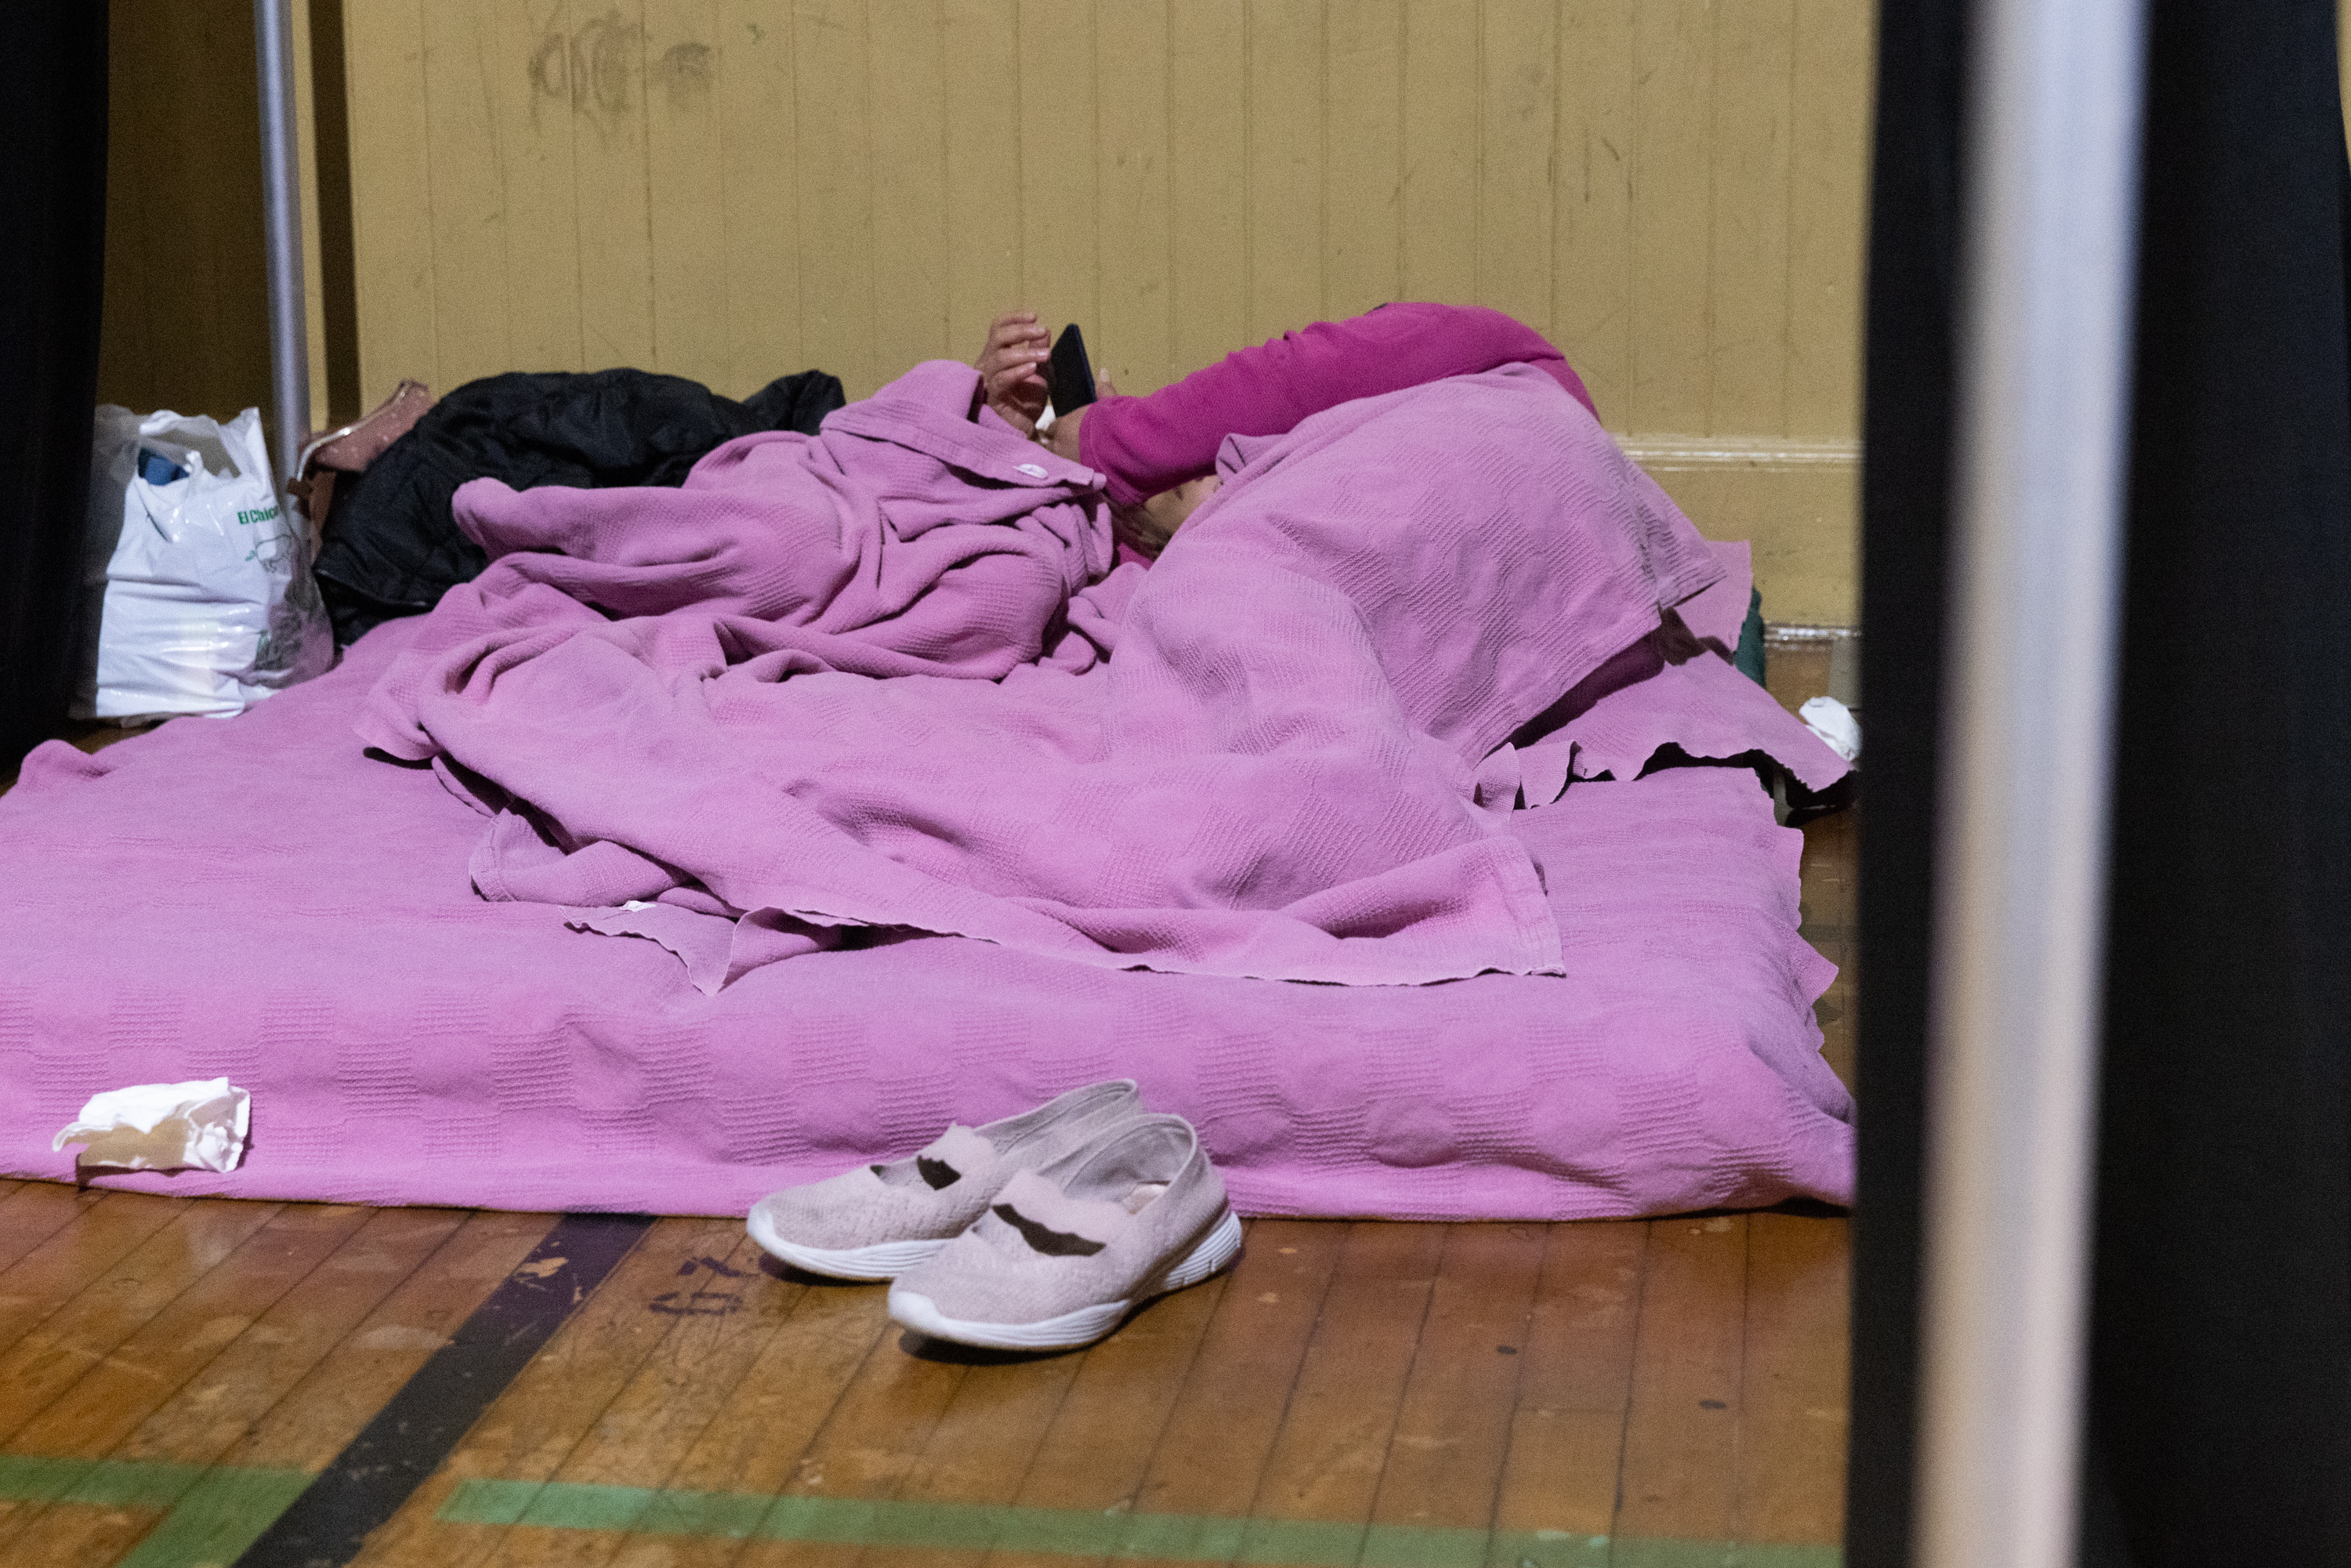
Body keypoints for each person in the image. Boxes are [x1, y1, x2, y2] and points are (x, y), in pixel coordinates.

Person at [973, 303, 1598, 556]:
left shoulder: (1497, 367)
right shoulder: (1255, 552)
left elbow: (1307, 372)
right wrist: (996, 442)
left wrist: (1117, 439)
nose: (1203, 462)